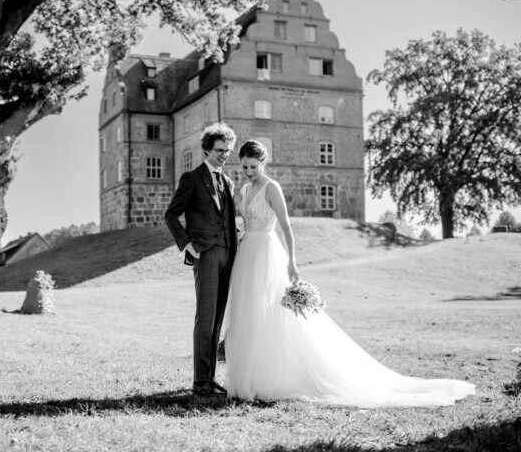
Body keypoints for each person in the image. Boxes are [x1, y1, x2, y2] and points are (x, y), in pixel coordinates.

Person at [223, 139, 475, 406]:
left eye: (253, 166)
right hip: (247, 252)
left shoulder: (271, 188)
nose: (249, 172)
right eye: (245, 167)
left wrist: (292, 262)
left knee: (274, 313)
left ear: (263, 163)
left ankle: (268, 377)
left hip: (267, 253)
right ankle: (247, 375)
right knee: (248, 310)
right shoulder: (245, 188)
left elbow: (286, 227)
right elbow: (245, 220)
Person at [165, 123, 238, 397]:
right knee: (205, 319)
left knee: (218, 319)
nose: (224, 155)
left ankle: (210, 379)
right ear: (207, 149)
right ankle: (199, 383)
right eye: (219, 150)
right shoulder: (192, 178)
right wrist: (188, 246)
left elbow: (229, 221)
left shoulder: (228, 182)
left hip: (228, 254)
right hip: (205, 255)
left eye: (227, 151)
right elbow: (171, 215)